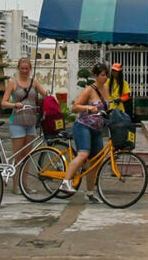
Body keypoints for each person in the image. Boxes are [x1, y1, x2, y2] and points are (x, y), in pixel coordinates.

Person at [60, 62, 111, 203]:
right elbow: (75, 107)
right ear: (95, 76)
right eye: (102, 75)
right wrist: (88, 108)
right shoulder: (89, 90)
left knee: (96, 161)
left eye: (106, 75)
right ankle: (65, 182)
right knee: (83, 154)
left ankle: (89, 192)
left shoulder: (106, 89)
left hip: (97, 129)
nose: (105, 77)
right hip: (83, 126)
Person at [0, 57, 48, 194]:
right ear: (18, 68)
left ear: (30, 69)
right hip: (17, 122)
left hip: (31, 122)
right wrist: (14, 105)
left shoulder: (34, 82)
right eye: (22, 68)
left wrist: (50, 101)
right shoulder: (12, 83)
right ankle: (16, 185)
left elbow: (46, 94)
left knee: (27, 155)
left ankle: (24, 184)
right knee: (18, 155)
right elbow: (3, 103)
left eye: (27, 68)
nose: (24, 71)